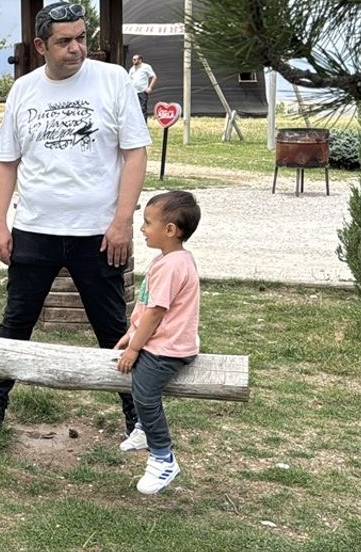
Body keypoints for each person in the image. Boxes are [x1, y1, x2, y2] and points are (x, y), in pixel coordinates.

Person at [0, 1, 150, 437]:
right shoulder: (24, 90)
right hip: (35, 228)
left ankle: (138, 414)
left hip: (97, 233)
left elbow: (134, 152)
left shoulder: (113, 80)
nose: (77, 48)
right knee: (16, 320)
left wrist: (122, 220)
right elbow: (7, 162)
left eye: (82, 38)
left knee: (112, 328)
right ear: (40, 45)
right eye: (65, 41)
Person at [115, 190, 202, 495]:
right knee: (139, 388)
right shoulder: (168, 260)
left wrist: (135, 348)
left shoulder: (171, 266)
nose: (142, 228)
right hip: (160, 341)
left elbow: (156, 313)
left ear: (170, 230)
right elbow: (144, 306)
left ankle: (163, 458)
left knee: (146, 392)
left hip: (168, 349)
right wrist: (131, 331)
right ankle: (142, 429)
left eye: (148, 223)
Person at [129, 54, 157, 118]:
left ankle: (143, 126)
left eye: (135, 59)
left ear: (140, 60)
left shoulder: (146, 67)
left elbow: (154, 77)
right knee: (134, 109)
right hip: (133, 92)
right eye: (132, 59)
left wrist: (150, 88)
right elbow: (129, 79)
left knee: (142, 109)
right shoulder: (132, 69)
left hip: (142, 91)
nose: (133, 61)